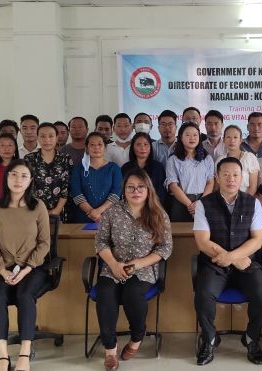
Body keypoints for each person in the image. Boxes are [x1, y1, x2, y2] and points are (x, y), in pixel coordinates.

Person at [193, 157, 262, 366]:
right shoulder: (203, 204)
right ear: (217, 177)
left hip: (247, 264)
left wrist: (233, 258)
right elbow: (202, 242)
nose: (231, 179)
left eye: (235, 174)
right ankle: (209, 339)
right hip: (214, 264)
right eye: (225, 174)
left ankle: (252, 338)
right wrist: (232, 259)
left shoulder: (252, 202)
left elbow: (257, 240)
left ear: (242, 177)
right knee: (203, 295)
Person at [94, 168, 173, 371]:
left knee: (132, 295)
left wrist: (139, 263)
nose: (135, 191)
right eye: (130, 187)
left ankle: (137, 336)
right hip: (113, 266)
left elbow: (165, 248)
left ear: (148, 189)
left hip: (143, 269)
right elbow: (101, 242)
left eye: (140, 187)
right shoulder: (112, 211)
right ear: (124, 190)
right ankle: (110, 350)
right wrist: (112, 264)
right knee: (105, 294)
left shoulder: (158, 214)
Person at [0, 159, 50, 371]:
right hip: (0, 267)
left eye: (24, 175)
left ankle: (24, 353)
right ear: (6, 178)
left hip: (31, 268)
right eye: (13, 174)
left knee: (24, 296)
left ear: (30, 181)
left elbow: (44, 243)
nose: (18, 179)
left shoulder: (38, 207)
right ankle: (3, 357)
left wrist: (27, 269)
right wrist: (2, 270)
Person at [164, 122, 215, 222]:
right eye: (187, 135)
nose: (192, 138)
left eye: (195, 135)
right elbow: (173, 185)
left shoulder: (207, 158)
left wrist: (200, 203)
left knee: (204, 233)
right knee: (180, 234)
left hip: (203, 199)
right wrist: (189, 204)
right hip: (181, 201)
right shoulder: (173, 159)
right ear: (181, 137)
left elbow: (210, 182)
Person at [24, 123, 73, 221]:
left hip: (60, 212)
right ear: (37, 137)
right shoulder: (29, 159)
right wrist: (38, 211)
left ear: (56, 137)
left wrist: (57, 210)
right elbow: (26, 187)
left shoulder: (65, 159)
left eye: (51, 136)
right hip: (34, 212)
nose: (47, 140)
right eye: (42, 136)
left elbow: (67, 187)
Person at [70, 132, 122, 223]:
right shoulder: (78, 169)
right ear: (87, 148)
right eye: (92, 145)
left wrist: (99, 211)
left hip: (109, 218)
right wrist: (92, 212)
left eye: (99, 144)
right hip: (83, 218)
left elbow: (116, 193)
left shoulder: (114, 168)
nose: (96, 147)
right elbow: (76, 193)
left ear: (105, 147)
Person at [121, 132, 167, 204]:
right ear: (133, 147)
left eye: (146, 144)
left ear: (150, 147)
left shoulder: (158, 167)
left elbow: (161, 193)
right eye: (138, 144)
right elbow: (122, 191)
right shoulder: (125, 168)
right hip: (130, 207)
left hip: (153, 207)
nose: (143, 148)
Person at [214, 125, 259, 195]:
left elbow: (253, 187)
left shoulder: (249, 157)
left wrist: (243, 203)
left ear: (241, 140)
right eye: (228, 137)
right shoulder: (220, 160)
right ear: (224, 140)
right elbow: (217, 186)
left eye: (235, 137)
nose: (232, 140)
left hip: (245, 201)